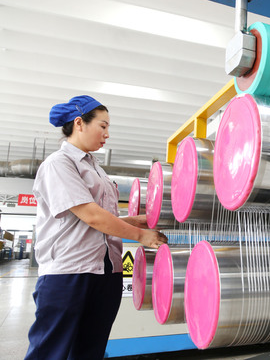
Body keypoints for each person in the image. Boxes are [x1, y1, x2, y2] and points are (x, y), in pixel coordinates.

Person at [25, 95, 168, 359]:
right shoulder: (59, 164)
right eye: (103, 126)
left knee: (90, 350)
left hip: (106, 272)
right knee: (50, 350)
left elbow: (94, 221)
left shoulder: (96, 169)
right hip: (69, 273)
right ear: (79, 123)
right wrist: (140, 235)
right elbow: (90, 215)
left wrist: (132, 221)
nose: (107, 134)